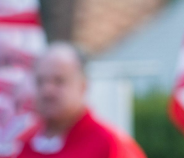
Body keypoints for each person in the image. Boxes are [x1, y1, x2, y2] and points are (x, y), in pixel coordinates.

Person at [18, 42, 146, 158]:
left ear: (83, 86)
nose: (47, 90)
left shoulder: (110, 145)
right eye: (40, 81)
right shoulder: (20, 145)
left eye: (59, 81)